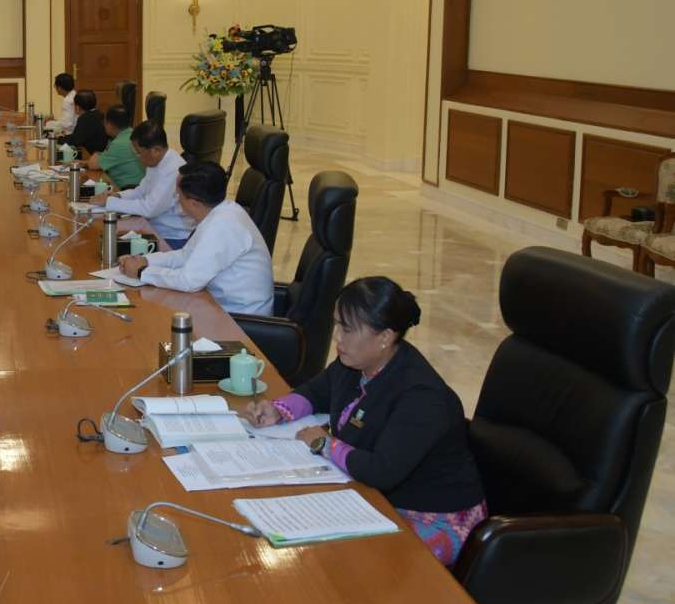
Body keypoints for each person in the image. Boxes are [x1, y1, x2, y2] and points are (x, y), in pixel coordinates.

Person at [243, 279, 487, 566]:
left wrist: (324, 443)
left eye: (347, 329)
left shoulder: (421, 396)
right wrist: (278, 410)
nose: (337, 337)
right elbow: (318, 391)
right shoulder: (357, 361)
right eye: (337, 324)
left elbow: (381, 471)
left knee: (341, 561)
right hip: (373, 495)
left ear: (384, 337)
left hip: (434, 517)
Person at [118, 161, 273, 314]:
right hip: (218, 304)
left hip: (239, 318)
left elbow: (188, 281)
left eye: (178, 196)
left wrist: (142, 272)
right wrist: (145, 261)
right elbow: (186, 255)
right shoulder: (221, 212)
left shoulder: (222, 225)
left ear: (193, 203)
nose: (177, 201)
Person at [87, 121, 193, 248]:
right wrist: (117, 196)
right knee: (102, 234)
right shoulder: (157, 161)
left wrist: (109, 202)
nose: (137, 157)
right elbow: (141, 191)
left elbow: (149, 209)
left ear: (156, 150)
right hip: (153, 225)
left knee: (110, 246)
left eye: (138, 153)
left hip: (171, 236)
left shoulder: (173, 170)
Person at [88, 104, 144, 189]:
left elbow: (92, 164)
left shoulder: (118, 144)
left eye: (104, 122)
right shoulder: (133, 134)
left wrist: (98, 152)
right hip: (138, 186)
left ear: (110, 125)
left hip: (126, 190)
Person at [59, 89, 108, 156]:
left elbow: (76, 140)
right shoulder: (99, 114)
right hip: (102, 152)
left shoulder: (85, 118)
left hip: (95, 156)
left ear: (77, 107)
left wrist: (59, 139)